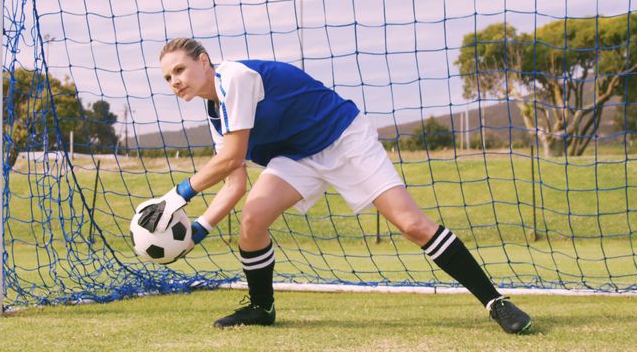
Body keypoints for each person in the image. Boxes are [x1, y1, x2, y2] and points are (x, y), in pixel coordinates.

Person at [135, 37, 532, 333]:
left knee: (412, 225)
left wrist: (174, 198)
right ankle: (262, 308)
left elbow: (232, 158)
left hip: (343, 138)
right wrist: (196, 232)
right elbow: (233, 182)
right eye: (168, 77)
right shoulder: (214, 114)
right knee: (253, 217)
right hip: (298, 158)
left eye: (180, 70)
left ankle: (495, 302)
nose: (175, 81)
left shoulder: (234, 77)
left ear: (203, 61)